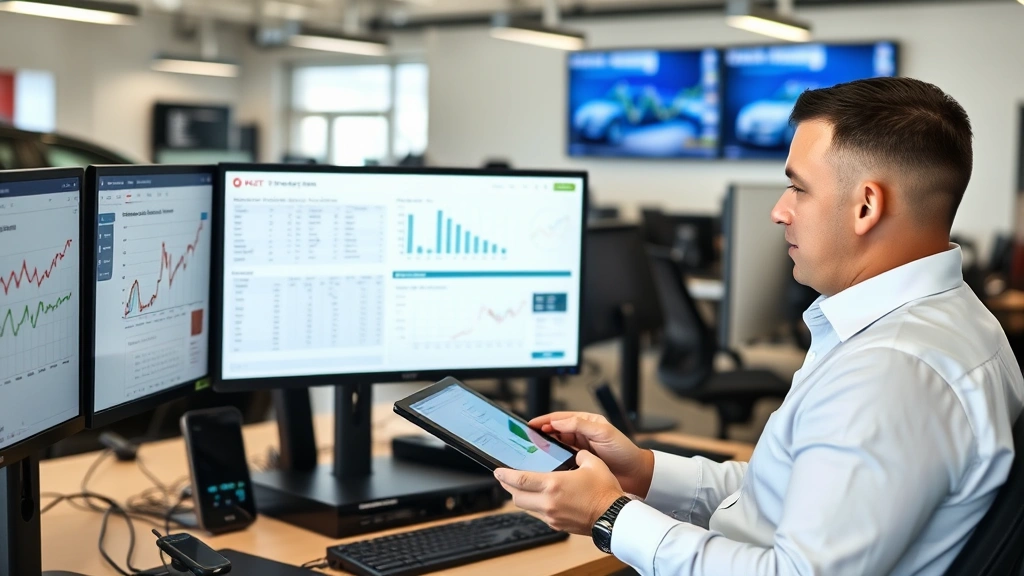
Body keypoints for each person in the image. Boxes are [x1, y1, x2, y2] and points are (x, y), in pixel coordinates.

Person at [495, 77, 1024, 575]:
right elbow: (787, 489)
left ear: (866, 206)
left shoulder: (890, 371)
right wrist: (644, 471)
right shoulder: (949, 320)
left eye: (798, 188)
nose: (779, 211)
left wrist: (609, 517)